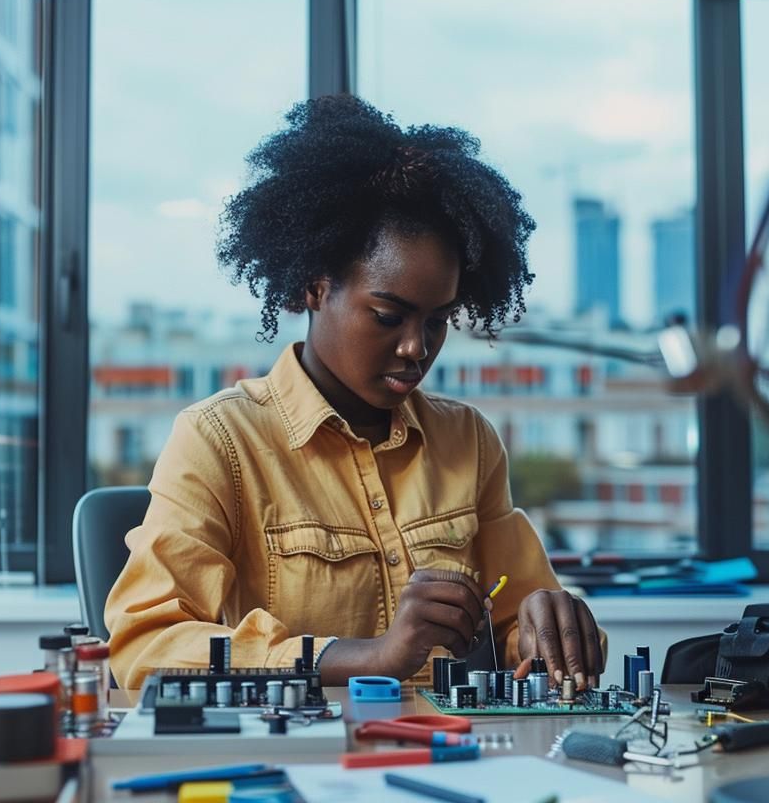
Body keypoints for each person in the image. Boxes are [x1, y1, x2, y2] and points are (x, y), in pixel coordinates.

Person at [105, 94, 605, 690]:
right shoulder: (220, 441)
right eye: (389, 316)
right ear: (316, 287)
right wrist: (365, 657)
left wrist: (550, 629)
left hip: (447, 761)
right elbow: (143, 649)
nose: (417, 348)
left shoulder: (467, 440)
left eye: (437, 320)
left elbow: (517, 622)